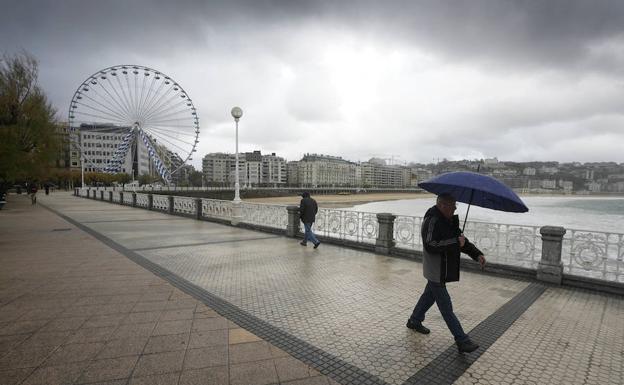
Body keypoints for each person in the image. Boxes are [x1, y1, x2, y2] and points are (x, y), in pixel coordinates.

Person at [406, 193, 486, 353]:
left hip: (443, 268)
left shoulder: (449, 220)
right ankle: (462, 340)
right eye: (453, 205)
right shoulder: (432, 220)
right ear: (442, 205)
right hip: (435, 269)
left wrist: (477, 254)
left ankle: (414, 320)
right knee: (446, 307)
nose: (455, 208)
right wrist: (455, 242)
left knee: (429, 296)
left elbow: (461, 241)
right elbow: (430, 244)